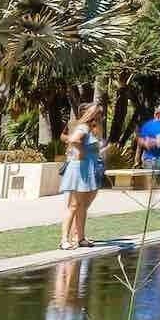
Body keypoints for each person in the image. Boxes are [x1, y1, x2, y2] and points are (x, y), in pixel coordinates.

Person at [59, 102, 104, 250]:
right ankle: (64, 240)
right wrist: (80, 151)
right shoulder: (83, 127)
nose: (101, 117)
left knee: (82, 206)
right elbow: (72, 140)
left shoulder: (91, 129)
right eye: (99, 114)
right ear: (92, 114)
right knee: (73, 205)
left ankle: (81, 237)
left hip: (87, 169)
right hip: (79, 169)